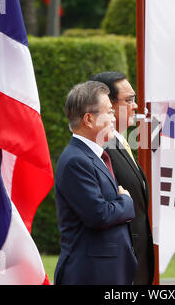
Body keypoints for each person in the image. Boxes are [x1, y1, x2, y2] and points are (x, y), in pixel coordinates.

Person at [54, 81, 137, 285]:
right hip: (91, 274)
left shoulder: (95, 155)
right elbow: (99, 215)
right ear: (89, 119)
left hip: (107, 271)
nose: (114, 117)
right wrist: (126, 201)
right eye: (108, 112)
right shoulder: (76, 160)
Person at [90, 71, 155, 285]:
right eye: (129, 100)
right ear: (107, 105)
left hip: (134, 264)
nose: (136, 106)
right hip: (119, 267)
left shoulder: (118, 142)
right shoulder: (99, 149)